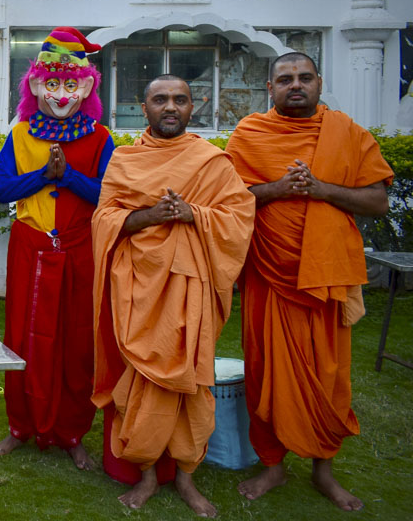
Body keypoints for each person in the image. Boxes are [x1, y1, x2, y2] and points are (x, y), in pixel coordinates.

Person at [225, 53, 392, 512]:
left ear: (319, 81)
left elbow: (377, 200)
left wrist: (320, 189)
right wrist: (279, 188)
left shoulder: (348, 134)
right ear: (270, 87)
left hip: (327, 277)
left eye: (303, 77)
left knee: (328, 376)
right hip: (269, 275)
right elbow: (228, 197)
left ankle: (323, 471)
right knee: (264, 373)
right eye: (285, 79)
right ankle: (273, 465)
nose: (295, 85)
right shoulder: (249, 135)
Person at [91, 75, 255, 516]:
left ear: (191, 109)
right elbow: (105, 221)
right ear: (142, 108)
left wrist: (193, 213)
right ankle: (146, 475)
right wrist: (149, 216)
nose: (170, 107)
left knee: (190, 377)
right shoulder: (124, 160)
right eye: (159, 99)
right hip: (137, 287)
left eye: (179, 100)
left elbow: (239, 218)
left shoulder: (212, 162)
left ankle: (186, 477)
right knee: (142, 375)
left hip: (191, 285)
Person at [0, 28, 112, 469]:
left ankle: (71, 431)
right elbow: (1, 190)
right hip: (30, 247)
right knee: (21, 335)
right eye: (52, 84)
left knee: (78, 340)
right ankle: (21, 427)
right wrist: (44, 175)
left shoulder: (100, 137)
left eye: (70, 84)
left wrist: (70, 178)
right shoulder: (21, 134)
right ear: (37, 87)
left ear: (85, 88)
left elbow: (109, 196)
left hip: (81, 246)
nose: (61, 94)